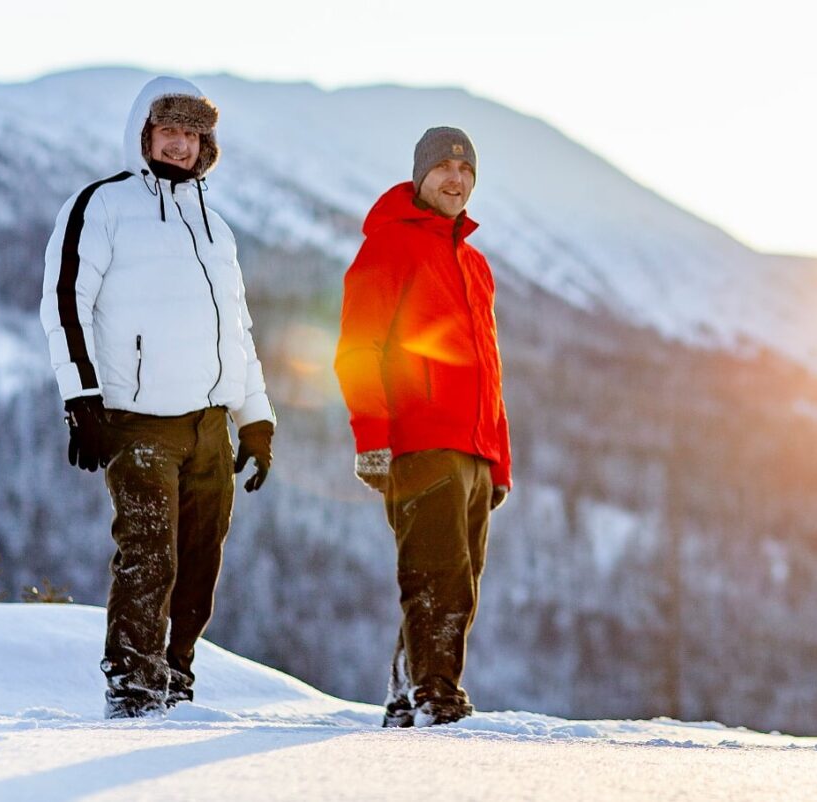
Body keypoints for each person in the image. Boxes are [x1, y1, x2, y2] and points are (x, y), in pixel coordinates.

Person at [39, 76, 276, 719]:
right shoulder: (101, 205)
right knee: (149, 552)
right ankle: (135, 684)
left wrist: (255, 418)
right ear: (143, 135)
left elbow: (238, 328)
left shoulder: (215, 225)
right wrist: (81, 397)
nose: (179, 145)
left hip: (209, 423)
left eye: (191, 133)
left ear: (206, 144)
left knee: (200, 562)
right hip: (138, 423)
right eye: (167, 131)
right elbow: (66, 303)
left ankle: (177, 677)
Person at [334, 126, 512, 727]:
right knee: (435, 574)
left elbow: (490, 370)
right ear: (421, 177)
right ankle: (434, 692)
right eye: (443, 169)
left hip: (474, 452)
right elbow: (359, 349)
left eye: (466, 171)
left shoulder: (475, 264)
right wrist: (372, 443)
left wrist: (499, 459)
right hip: (419, 442)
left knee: (460, 582)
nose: (455, 180)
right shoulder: (390, 247)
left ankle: (406, 694)